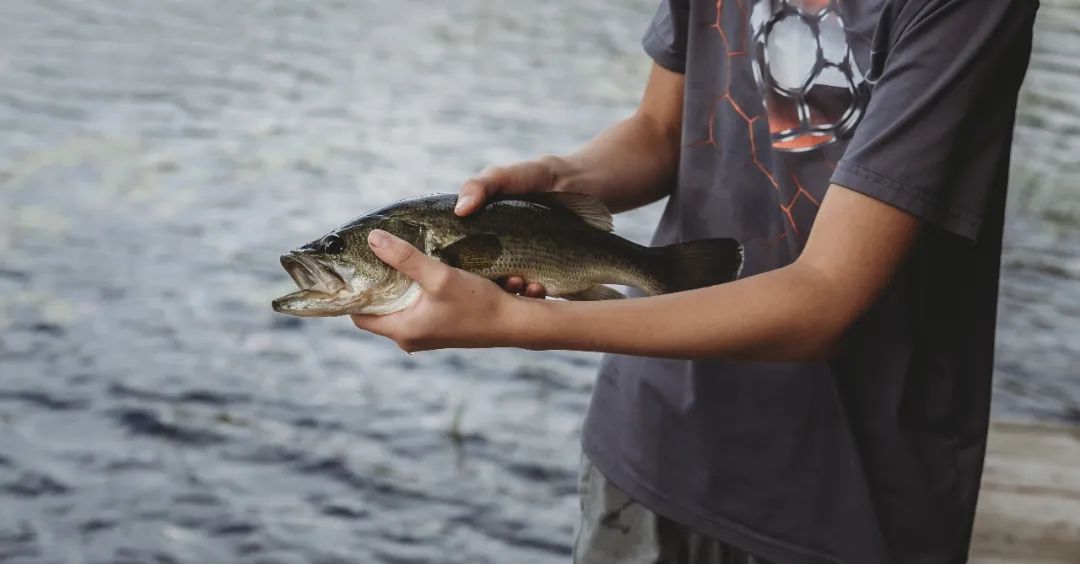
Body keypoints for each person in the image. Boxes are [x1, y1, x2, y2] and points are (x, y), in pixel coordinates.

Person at [351, 0, 1038, 561]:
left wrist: (516, 325)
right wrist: (562, 178)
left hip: (846, 495)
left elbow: (825, 300)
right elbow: (659, 128)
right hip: (649, 448)